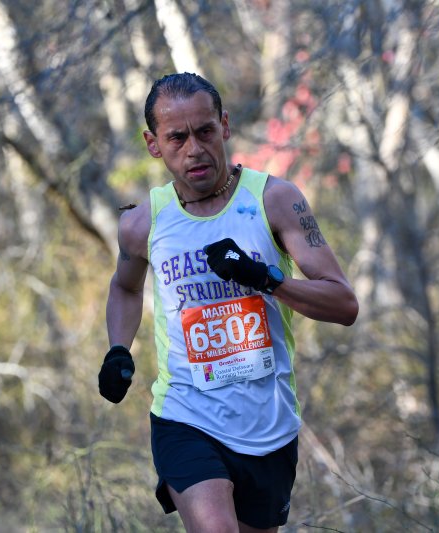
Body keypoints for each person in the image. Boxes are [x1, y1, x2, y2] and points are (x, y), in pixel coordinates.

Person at [99, 72, 358, 533]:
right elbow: (125, 287)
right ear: (153, 144)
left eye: (205, 131)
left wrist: (265, 278)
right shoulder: (142, 223)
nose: (194, 149)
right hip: (186, 416)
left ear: (225, 125)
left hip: (268, 424)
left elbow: (344, 304)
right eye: (177, 138)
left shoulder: (275, 200)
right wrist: (118, 348)